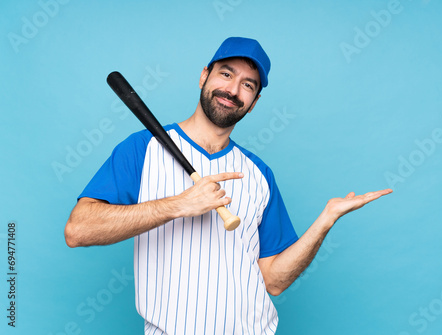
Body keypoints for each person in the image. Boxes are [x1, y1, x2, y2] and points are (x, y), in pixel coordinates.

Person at [65, 37, 392, 334]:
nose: (234, 89)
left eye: (247, 85)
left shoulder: (260, 174)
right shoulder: (142, 149)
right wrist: (178, 205)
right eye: (225, 74)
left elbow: (274, 281)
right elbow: (78, 230)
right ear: (203, 76)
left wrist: (326, 220)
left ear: (254, 101)